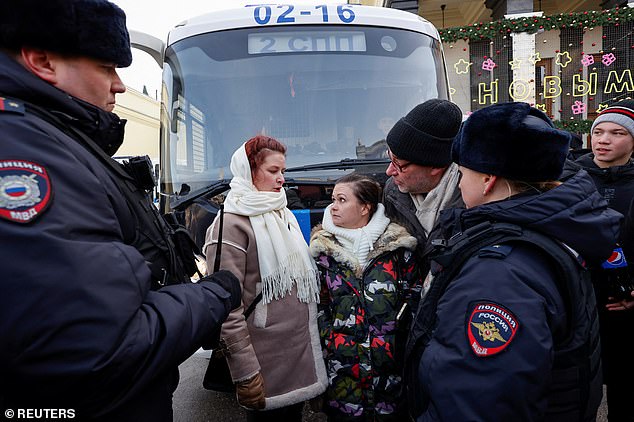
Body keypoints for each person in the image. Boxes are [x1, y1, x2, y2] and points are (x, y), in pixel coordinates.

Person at [0, 1, 242, 420]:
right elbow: (95, 352)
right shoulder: (28, 157)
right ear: (42, 61)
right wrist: (212, 296)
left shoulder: (55, 139)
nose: (119, 86)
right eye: (108, 68)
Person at [405, 102, 621, 421]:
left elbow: (479, 403)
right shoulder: (547, 228)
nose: (460, 183)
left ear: (489, 179)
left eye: (463, 173)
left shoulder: (497, 273)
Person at [203, 136, 327, 421]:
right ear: (249, 170)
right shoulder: (229, 225)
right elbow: (226, 306)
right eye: (273, 171)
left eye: (283, 171)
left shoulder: (282, 211)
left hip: (299, 353)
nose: (282, 179)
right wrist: (245, 372)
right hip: (264, 363)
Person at [309, 173, 422, 421]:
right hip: (343, 378)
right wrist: (331, 338)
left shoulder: (398, 248)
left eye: (341, 199)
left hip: (392, 380)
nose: (333, 206)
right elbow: (316, 304)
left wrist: (399, 338)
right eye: (333, 200)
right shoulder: (322, 252)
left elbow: (416, 298)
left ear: (365, 207)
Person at [563, 99, 634, 421]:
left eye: (617, 132)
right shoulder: (569, 180)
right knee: (577, 393)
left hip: (625, 309)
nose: (603, 139)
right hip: (579, 304)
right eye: (598, 131)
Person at [383, 99, 464, 271]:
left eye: (399, 164)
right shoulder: (392, 191)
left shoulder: (472, 200)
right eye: (389, 157)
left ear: (435, 166)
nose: (389, 171)